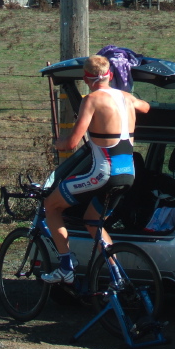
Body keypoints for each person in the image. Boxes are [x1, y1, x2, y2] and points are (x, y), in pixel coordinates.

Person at [43, 55, 150, 284]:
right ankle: (116, 275)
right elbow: (147, 107)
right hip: (128, 174)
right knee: (92, 221)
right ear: (110, 75)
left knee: (51, 206)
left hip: (102, 173)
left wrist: (58, 143)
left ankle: (65, 267)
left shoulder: (91, 100)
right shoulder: (127, 98)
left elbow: (72, 143)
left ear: (85, 78)